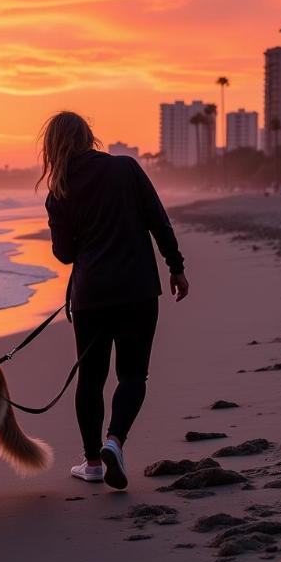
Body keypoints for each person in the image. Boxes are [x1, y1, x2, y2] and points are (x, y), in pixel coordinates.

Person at [38, 111, 188, 490]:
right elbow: (158, 220)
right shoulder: (125, 168)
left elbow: (64, 255)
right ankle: (114, 441)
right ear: (89, 136)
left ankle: (92, 463)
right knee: (133, 374)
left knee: (90, 378)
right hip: (137, 289)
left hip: (91, 296)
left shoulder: (59, 192)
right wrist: (176, 267)